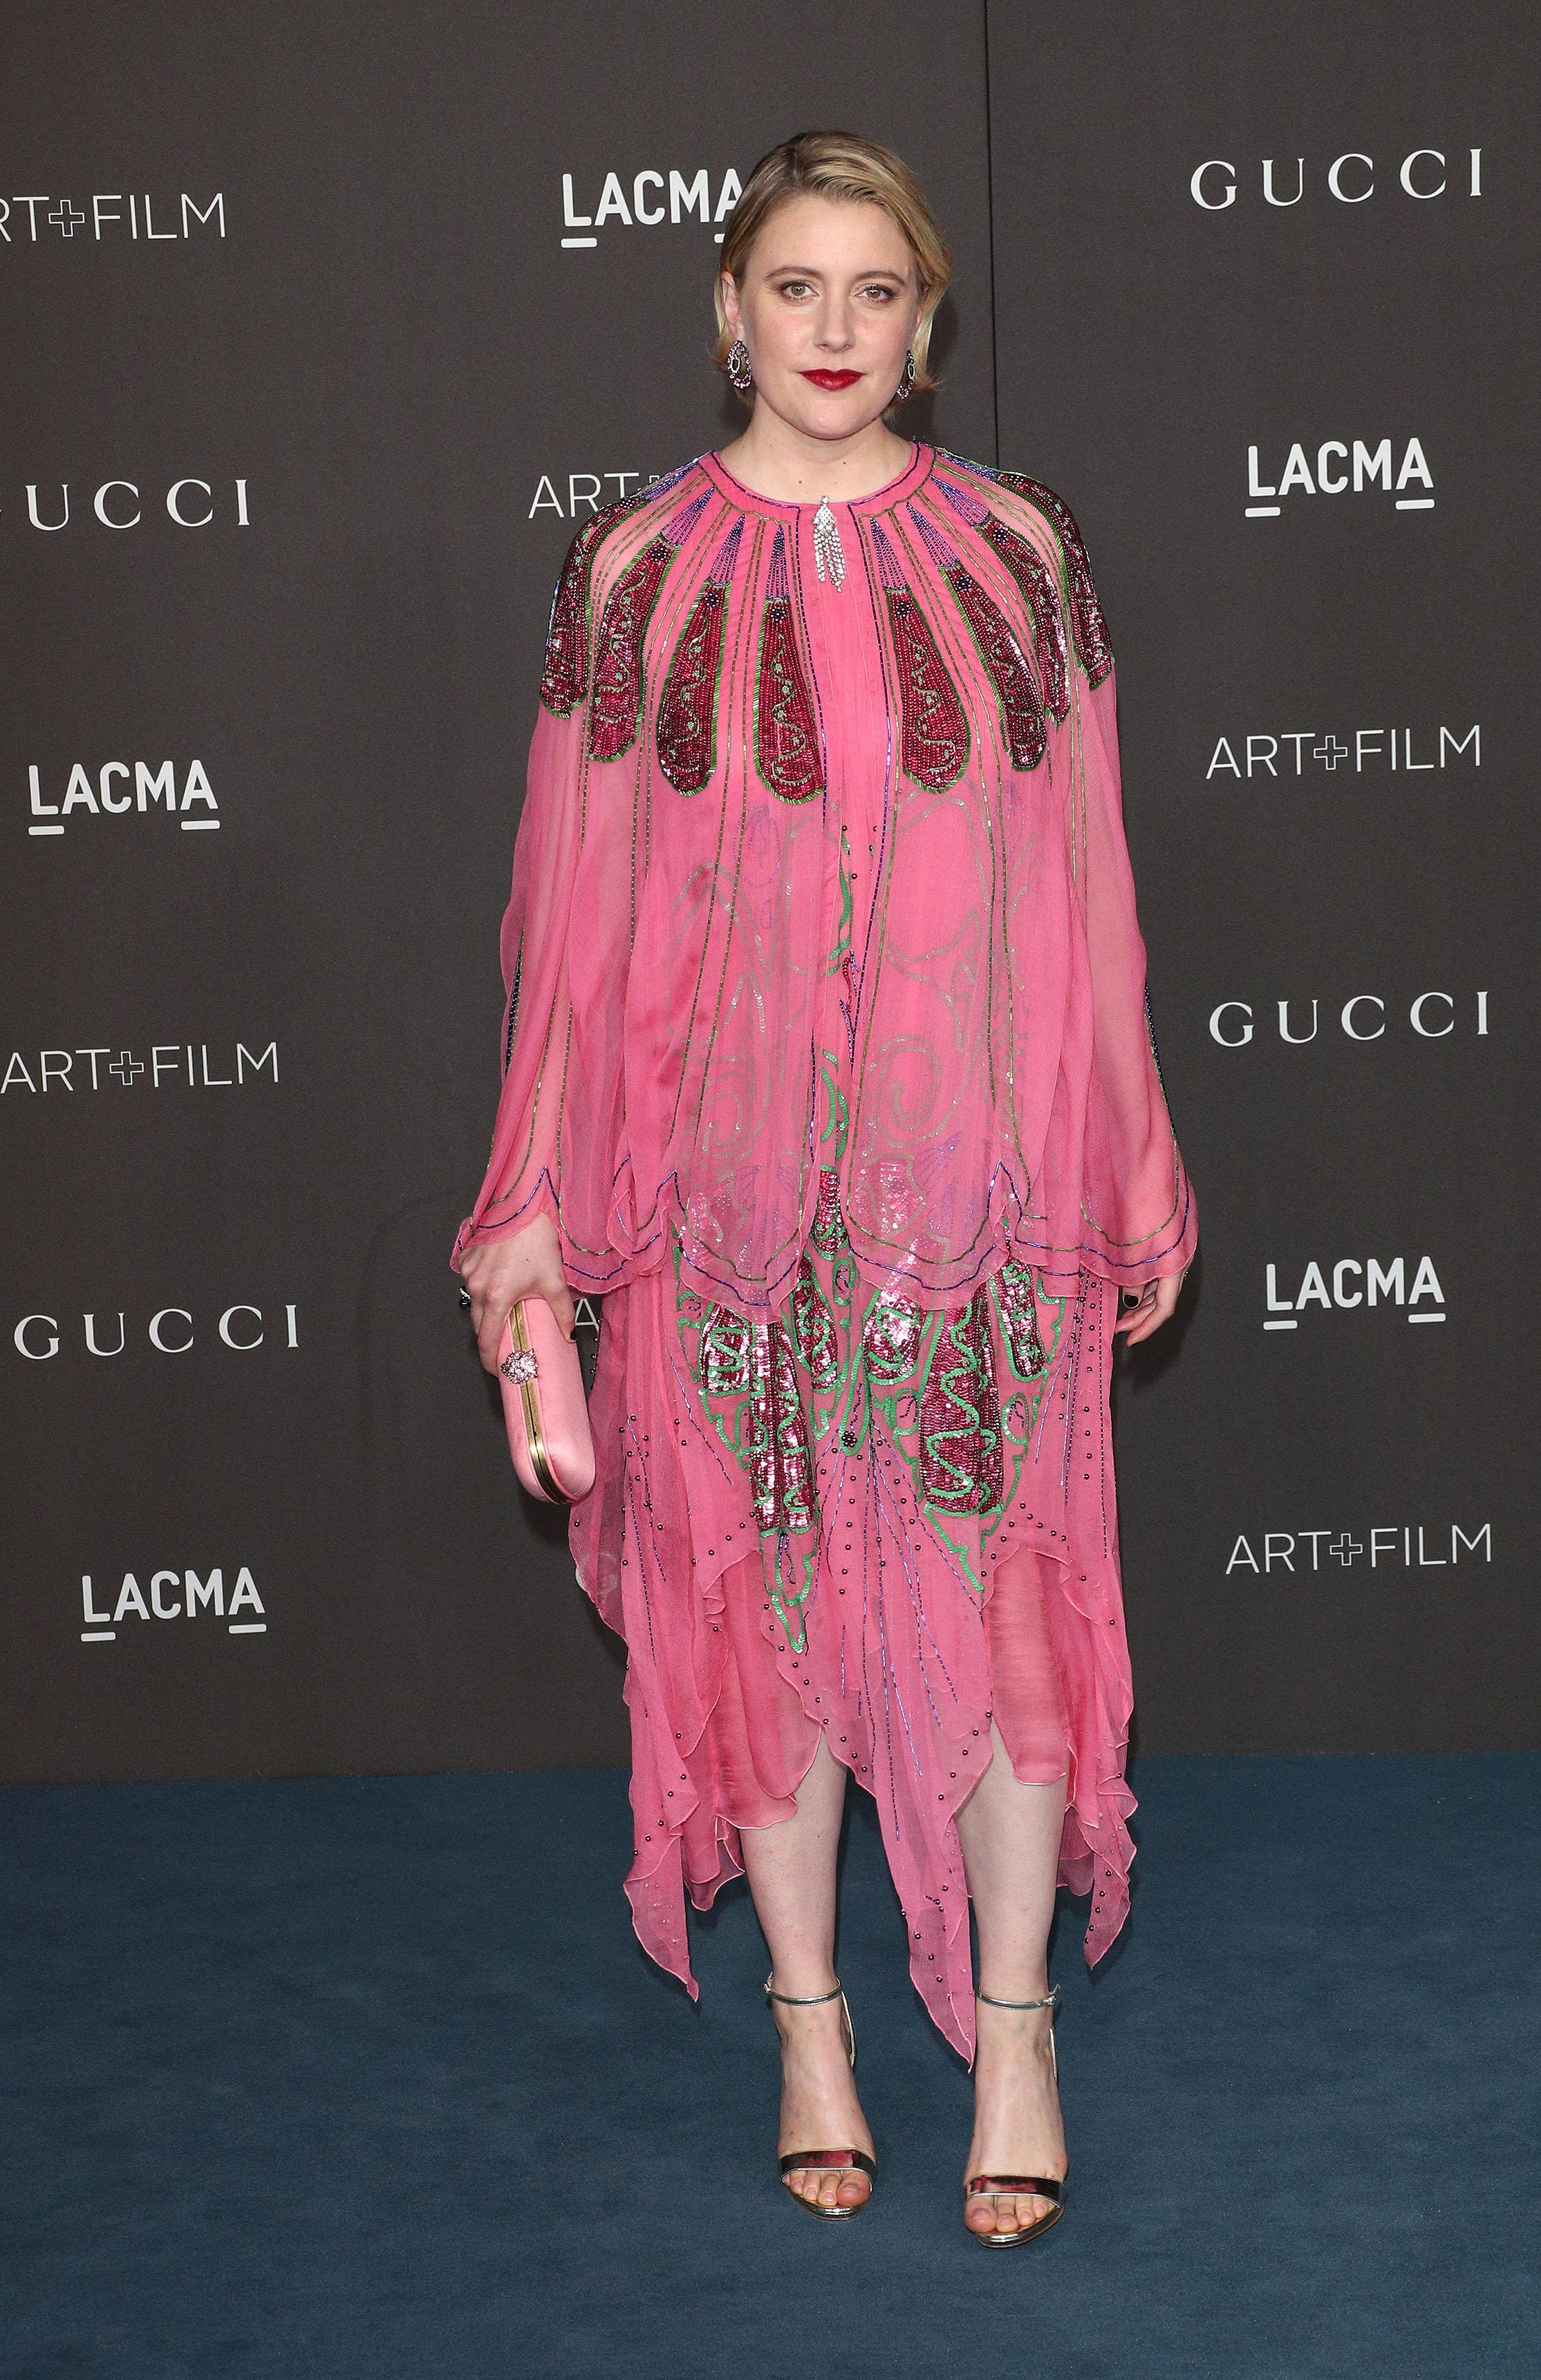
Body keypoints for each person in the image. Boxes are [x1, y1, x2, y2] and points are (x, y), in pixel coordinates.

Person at [454, 130, 1195, 2247]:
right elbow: (569, 926)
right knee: (758, 1625)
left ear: (928, 318)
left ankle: (1018, 2031)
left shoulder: (1023, 552)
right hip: (730, 1212)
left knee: (1011, 1610)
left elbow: (1090, 886)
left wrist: (1135, 1153)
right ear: (730, 311)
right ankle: (810, 2024)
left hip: (982, 1199)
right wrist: (527, 1209)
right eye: (798, 287)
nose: (838, 329)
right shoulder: (629, 574)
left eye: (879, 291)